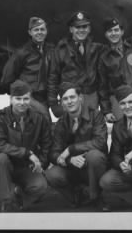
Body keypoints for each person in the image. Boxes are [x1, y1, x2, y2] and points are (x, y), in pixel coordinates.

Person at [0, 80, 52, 212]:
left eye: (26, 99)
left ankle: (19, 199)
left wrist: (41, 163)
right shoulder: (0, 117)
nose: (22, 103)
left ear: (30, 99)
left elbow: (47, 144)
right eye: (18, 99)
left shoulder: (39, 119)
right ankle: (7, 202)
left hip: (26, 167)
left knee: (40, 187)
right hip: (7, 166)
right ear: (11, 99)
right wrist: (27, 153)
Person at [45, 82, 108, 210]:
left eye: (72, 97)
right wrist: (69, 160)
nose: (69, 101)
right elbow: (53, 153)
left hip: (92, 165)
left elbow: (100, 142)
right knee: (52, 174)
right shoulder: (61, 123)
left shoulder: (96, 115)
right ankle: (75, 196)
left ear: (80, 98)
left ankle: (96, 197)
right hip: (72, 167)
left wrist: (71, 149)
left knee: (94, 156)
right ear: (61, 103)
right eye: (65, 99)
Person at [47, 11, 103, 117]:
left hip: (91, 98)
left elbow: (102, 77)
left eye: (84, 27)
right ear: (71, 29)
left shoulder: (97, 49)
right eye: (77, 27)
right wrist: (53, 104)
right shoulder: (60, 50)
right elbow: (53, 78)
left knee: (90, 130)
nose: (81, 30)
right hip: (70, 99)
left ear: (89, 29)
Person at [0, 16, 54, 121]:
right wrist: (21, 93)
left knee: (43, 129)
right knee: (43, 122)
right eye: (36, 30)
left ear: (46, 31)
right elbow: (6, 79)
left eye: (42, 29)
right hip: (28, 98)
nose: (39, 32)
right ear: (30, 32)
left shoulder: (51, 51)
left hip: (44, 98)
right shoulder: (22, 53)